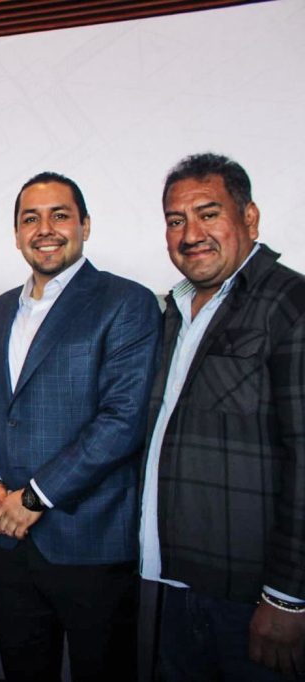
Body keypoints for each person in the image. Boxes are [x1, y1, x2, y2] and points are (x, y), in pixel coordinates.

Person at [0, 172, 160, 681]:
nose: (45, 229)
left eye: (59, 215)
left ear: (85, 225)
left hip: (90, 541)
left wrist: (34, 498)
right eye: (30, 219)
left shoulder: (126, 302)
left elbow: (122, 421)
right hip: (9, 542)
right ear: (17, 233)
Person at [141, 153, 305, 680]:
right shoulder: (174, 311)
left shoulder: (290, 305)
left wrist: (287, 597)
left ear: (249, 218)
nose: (191, 234)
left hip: (250, 599)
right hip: (171, 582)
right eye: (176, 220)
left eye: (208, 214)